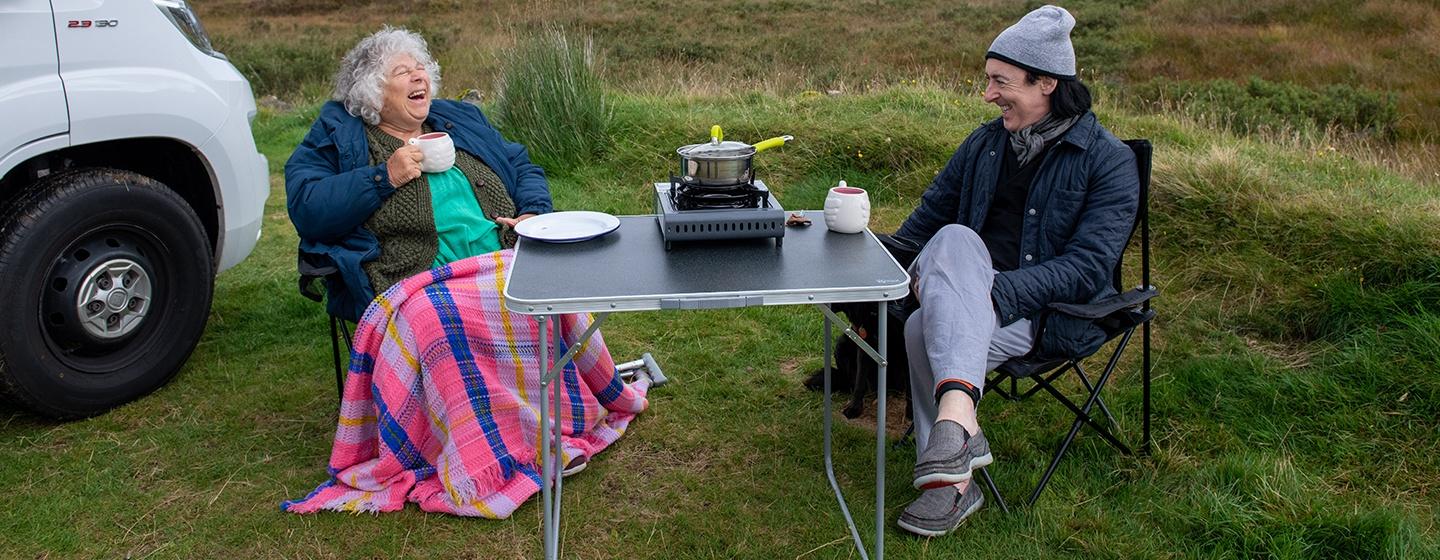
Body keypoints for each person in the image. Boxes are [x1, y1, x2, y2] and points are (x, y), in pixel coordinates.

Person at [280, 27, 649, 518]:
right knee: (437, 323)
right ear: (372, 91)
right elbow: (307, 206)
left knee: (545, 288)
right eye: (400, 72)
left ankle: (552, 422)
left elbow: (521, 165)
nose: (418, 76)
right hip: (415, 279)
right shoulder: (339, 135)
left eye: (420, 68)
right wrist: (382, 176)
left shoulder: (459, 120)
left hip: (499, 256)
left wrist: (533, 212)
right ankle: (488, 454)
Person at [892, 5, 1140, 536]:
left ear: (1047, 82)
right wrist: (853, 249)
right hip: (969, 299)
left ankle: (951, 480)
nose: (988, 95)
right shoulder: (985, 144)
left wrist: (995, 293)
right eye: (988, 81)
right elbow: (920, 229)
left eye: (1000, 82)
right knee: (953, 240)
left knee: (919, 326)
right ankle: (958, 438)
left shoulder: (1108, 161)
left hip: (1047, 314)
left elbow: (1088, 267)